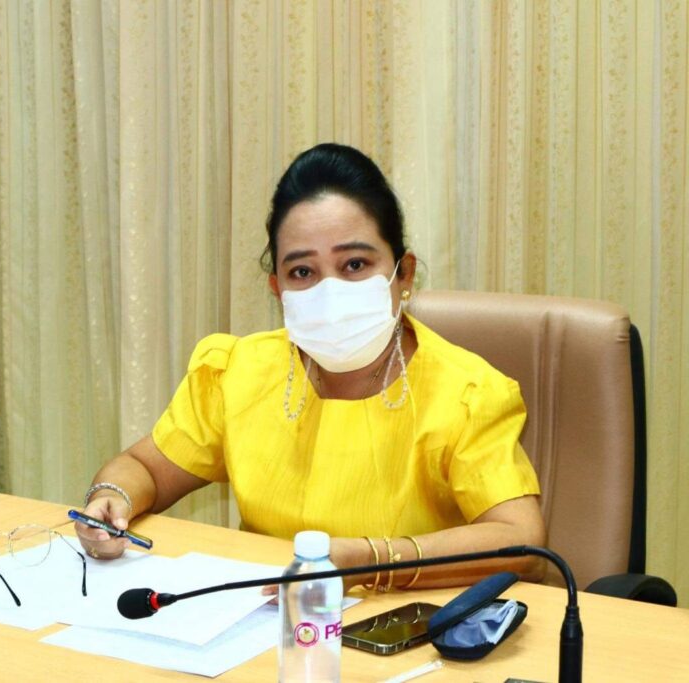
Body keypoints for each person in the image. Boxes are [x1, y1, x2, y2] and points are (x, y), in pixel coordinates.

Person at [76, 143, 545, 590]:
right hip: (265, 617)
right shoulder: (240, 371)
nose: (330, 291)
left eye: (355, 264)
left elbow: (519, 540)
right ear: (277, 288)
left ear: (403, 274)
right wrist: (112, 499)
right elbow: (144, 467)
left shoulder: (467, 393)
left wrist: (372, 561)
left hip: (402, 624)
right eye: (303, 272)